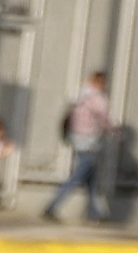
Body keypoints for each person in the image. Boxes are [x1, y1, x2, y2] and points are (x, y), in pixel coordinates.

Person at [52, 69, 123, 227]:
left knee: (91, 178)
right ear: (100, 82)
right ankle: (53, 205)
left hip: (76, 138)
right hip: (90, 140)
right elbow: (106, 119)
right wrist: (118, 133)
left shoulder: (78, 96)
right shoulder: (98, 99)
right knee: (78, 175)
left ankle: (97, 212)